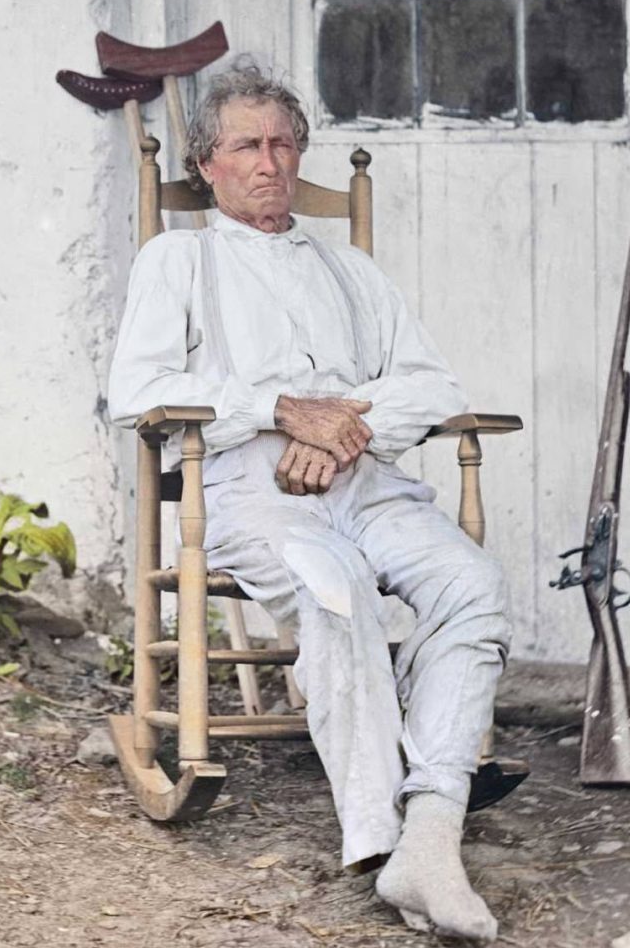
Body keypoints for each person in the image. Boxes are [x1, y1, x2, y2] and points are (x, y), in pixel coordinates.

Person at [107, 62, 510, 943]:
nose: (271, 162)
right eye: (248, 145)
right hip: (251, 491)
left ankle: (432, 834)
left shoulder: (352, 270)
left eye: (285, 144)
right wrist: (283, 412)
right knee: (337, 593)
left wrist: (338, 430)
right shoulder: (180, 258)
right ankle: (381, 837)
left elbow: (430, 383)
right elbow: (133, 388)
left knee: (469, 583)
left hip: (364, 478)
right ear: (207, 163)